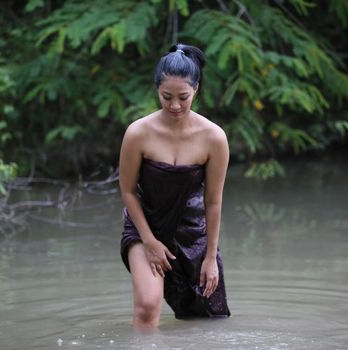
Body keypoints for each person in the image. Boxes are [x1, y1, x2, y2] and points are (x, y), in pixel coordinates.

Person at [119, 43, 231, 329]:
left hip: (192, 230)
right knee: (147, 306)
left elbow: (213, 202)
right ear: (157, 89)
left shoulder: (214, 138)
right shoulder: (138, 133)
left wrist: (210, 257)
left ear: (196, 90)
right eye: (166, 97)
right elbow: (128, 191)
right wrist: (149, 241)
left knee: (203, 320)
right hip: (147, 224)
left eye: (183, 97)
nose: (175, 105)